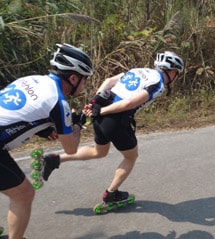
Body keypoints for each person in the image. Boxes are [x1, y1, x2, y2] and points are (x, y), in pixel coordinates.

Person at [0, 43, 93, 239]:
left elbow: (12, 112)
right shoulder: (59, 102)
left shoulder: (31, 79)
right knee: (23, 194)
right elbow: (71, 148)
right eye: (85, 80)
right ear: (73, 78)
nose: (85, 85)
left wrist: (44, 130)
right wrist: (77, 124)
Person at [41, 51, 184, 206]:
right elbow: (129, 104)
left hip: (103, 110)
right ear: (172, 71)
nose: (176, 78)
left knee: (99, 152)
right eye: (177, 74)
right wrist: (101, 111)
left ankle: (55, 159)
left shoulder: (138, 70)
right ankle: (111, 194)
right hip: (116, 117)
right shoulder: (159, 85)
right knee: (131, 156)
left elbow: (109, 81)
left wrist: (95, 102)